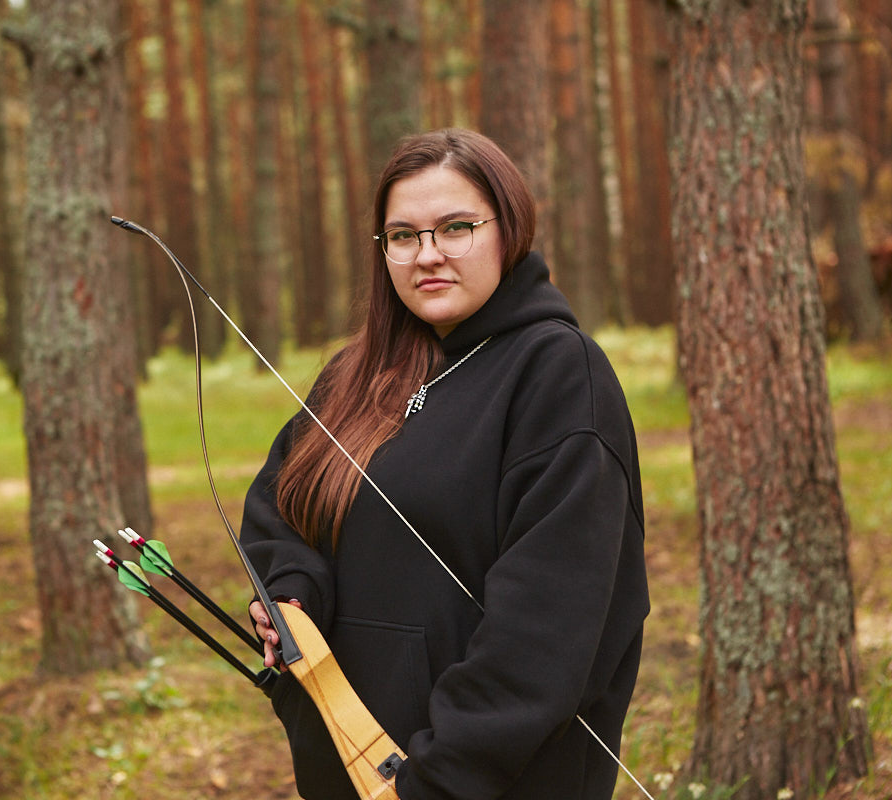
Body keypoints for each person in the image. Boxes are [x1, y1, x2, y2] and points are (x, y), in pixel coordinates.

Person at [240, 128, 648, 800]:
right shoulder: (357, 374)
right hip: (349, 768)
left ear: (507, 229)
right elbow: (282, 505)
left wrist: (436, 778)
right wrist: (291, 592)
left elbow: (548, 625)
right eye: (403, 236)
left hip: (477, 782)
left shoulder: (557, 373)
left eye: (455, 228)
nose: (426, 255)